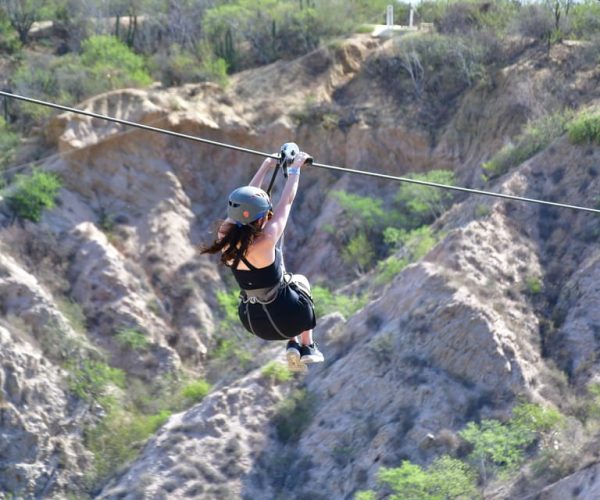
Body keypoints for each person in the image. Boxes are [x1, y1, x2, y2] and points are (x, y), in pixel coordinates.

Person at [202, 151, 324, 372]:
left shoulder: (224, 235)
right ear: (260, 218)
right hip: (289, 318)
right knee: (299, 282)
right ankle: (308, 345)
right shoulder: (266, 239)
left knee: (285, 290)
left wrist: (267, 165)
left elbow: (243, 202)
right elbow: (286, 201)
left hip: (254, 322)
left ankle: (293, 344)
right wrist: (295, 168)